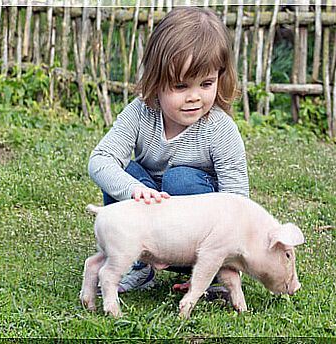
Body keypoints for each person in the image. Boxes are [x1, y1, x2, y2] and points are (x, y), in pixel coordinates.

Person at [88, 6, 249, 295]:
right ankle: (136, 265)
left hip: (192, 241)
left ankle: (206, 276)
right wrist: (134, 190)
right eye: (180, 85)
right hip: (147, 230)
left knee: (181, 179)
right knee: (123, 172)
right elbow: (100, 160)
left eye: (207, 83)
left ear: (220, 77)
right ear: (156, 80)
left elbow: (238, 206)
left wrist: (225, 264)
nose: (194, 97)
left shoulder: (221, 130)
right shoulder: (140, 113)